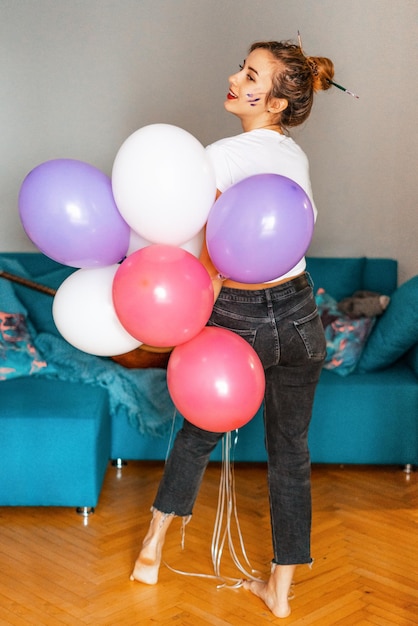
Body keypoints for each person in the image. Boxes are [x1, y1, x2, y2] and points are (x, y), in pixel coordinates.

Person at [130, 39, 334, 619]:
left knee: (197, 433)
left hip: (242, 314)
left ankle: (151, 550)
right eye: (241, 69)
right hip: (299, 315)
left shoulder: (216, 157)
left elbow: (182, 233)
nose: (234, 79)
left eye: (250, 75)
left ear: (274, 102)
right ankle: (281, 593)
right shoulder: (294, 156)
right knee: (290, 452)